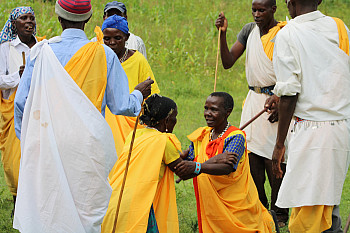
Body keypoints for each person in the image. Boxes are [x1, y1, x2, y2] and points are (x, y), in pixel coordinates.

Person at [13, 0, 153, 232]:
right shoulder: (104, 54)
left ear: (59, 18)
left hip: (49, 141)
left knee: (50, 204)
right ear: (88, 19)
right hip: (87, 144)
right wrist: (138, 94)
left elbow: (21, 102)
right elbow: (120, 106)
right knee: (86, 209)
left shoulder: (41, 52)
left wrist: (29, 139)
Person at [269, 0, 350, 232]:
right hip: (340, 129)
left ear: (289, 3)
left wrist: (278, 145)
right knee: (326, 203)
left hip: (311, 135)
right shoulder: (340, 27)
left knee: (309, 210)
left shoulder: (288, 33)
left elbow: (290, 94)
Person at [215, 0, 289, 226]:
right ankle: (261, 205)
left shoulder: (284, 33)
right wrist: (223, 34)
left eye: (261, 10)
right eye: (254, 10)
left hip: (277, 101)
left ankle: (279, 210)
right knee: (252, 157)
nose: (257, 14)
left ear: (273, 10)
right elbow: (227, 62)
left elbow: (292, 72)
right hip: (253, 100)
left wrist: (279, 98)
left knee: (275, 158)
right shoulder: (249, 30)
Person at [176, 92, 277, 233]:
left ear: (227, 112)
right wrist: (182, 159)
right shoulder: (203, 136)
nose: (208, 113)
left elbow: (227, 167)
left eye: (214, 110)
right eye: (206, 108)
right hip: (211, 207)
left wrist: (198, 166)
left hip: (237, 205)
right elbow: (189, 164)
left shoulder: (236, 137)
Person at [102, 94, 182, 233]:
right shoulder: (164, 141)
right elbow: (183, 170)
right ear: (167, 119)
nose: (176, 120)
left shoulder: (136, 135)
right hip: (136, 205)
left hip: (114, 198)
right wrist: (207, 164)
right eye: (175, 117)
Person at [0, 6, 43, 215]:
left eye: (31, 18)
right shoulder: (6, 48)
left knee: (37, 157)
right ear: (14, 24)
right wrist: (19, 77)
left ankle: (35, 202)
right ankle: (18, 200)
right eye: (23, 18)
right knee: (12, 162)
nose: (29, 22)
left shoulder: (42, 46)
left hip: (38, 109)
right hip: (13, 112)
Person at [101, 15, 160, 161]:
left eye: (117, 38)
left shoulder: (138, 60)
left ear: (126, 37)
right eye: (107, 39)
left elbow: (152, 96)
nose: (112, 43)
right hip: (104, 124)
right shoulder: (99, 58)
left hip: (131, 124)